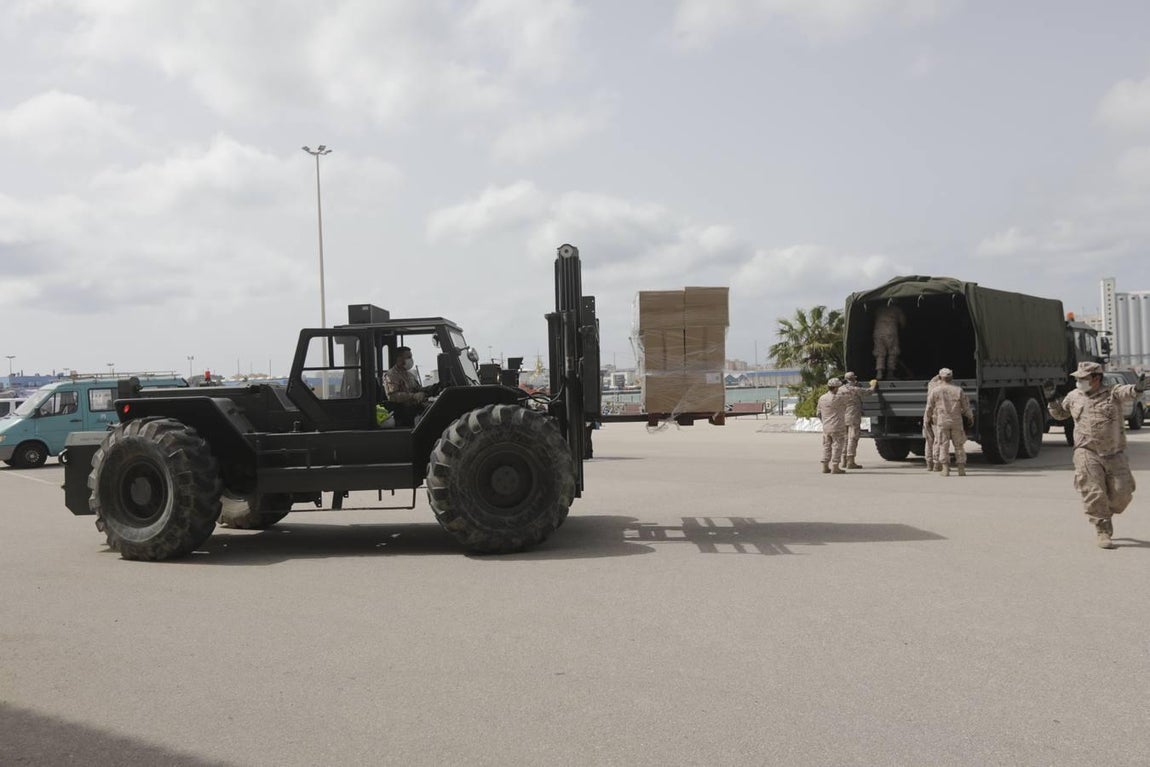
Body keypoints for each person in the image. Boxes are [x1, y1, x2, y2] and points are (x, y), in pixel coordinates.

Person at [1048, 362, 1147, 549]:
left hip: (1114, 452)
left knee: (1122, 496)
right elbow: (1060, 414)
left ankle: (1105, 511)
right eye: (1077, 378)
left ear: (1096, 378)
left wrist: (1138, 388)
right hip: (1086, 452)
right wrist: (1052, 399)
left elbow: (1129, 392)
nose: (1079, 381)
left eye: (1083, 378)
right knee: (1093, 492)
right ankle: (1102, 529)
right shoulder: (1073, 396)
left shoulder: (1112, 393)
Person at [923, 367, 973, 476]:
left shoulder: (935, 391)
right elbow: (966, 407)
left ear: (941, 378)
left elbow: (929, 407)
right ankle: (961, 469)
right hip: (956, 421)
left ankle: (945, 470)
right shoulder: (958, 390)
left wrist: (926, 420)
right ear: (952, 377)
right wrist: (970, 417)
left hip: (942, 421)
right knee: (959, 445)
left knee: (943, 445)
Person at [839, 372, 877, 469]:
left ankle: (843, 461)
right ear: (853, 379)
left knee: (845, 438)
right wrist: (873, 385)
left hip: (842, 416)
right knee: (853, 438)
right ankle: (850, 461)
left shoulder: (840, 389)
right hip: (853, 416)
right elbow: (869, 392)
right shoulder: (854, 389)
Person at [383, 347, 431, 424]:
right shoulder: (391, 375)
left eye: (411, 357)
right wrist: (413, 396)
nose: (411, 360)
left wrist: (431, 388)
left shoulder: (409, 375)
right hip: (403, 412)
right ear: (399, 358)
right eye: (408, 357)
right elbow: (392, 396)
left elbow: (418, 389)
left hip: (414, 408)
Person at [816, 378, 848, 474]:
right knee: (837, 446)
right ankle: (835, 466)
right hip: (837, 426)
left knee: (826, 446)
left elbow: (818, 413)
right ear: (835, 388)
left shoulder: (822, 398)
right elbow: (846, 405)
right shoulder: (839, 398)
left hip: (826, 426)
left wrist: (824, 421)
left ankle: (825, 466)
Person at [872, 303, 907, 380]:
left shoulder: (879, 309)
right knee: (893, 352)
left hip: (878, 332)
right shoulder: (896, 309)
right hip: (890, 331)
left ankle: (879, 373)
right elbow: (903, 322)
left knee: (879, 353)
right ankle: (890, 374)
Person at [922, 374, 943, 471]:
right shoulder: (945, 387)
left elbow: (932, 380)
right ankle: (936, 463)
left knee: (929, 440)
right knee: (938, 440)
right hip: (938, 416)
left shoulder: (931, 385)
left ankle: (929, 463)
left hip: (928, 414)